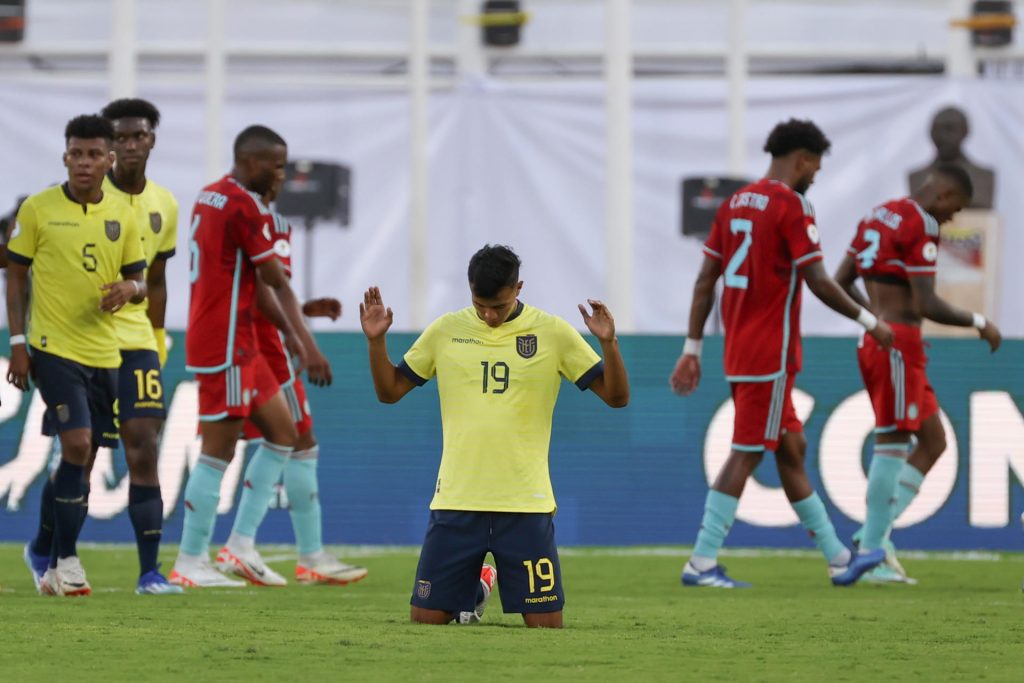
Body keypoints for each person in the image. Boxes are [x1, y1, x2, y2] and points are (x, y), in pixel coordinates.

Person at [669, 119, 893, 589]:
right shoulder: (791, 205)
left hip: (741, 348)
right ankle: (702, 561)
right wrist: (872, 321)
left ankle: (838, 559)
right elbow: (818, 280)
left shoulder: (733, 204)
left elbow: (705, 281)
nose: (816, 174)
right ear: (804, 159)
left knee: (792, 450)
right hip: (769, 353)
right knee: (747, 452)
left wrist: (693, 347)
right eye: (817, 165)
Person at [360, 244, 629, 628]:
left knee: (546, 629)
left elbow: (617, 398)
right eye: (480, 304)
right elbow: (390, 392)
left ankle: (479, 587)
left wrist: (608, 343)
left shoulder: (552, 332)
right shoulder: (445, 330)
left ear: (518, 288)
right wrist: (375, 342)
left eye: (498, 307)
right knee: (425, 620)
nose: (488, 316)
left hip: (525, 503)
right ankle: (475, 592)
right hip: (457, 498)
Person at [21, 98, 183, 595]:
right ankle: (48, 546)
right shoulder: (64, 202)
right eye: (120, 138)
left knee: (144, 447)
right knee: (82, 456)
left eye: (138, 136)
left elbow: (155, 281)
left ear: (151, 141)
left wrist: (156, 340)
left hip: (137, 344)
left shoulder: (164, 205)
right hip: (84, 342)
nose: (128, 146)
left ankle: (150, 573)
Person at [168, 124, 330, 588]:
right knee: (216, 450)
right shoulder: (244, 205)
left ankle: (239, 546)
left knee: (284, 433)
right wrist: (307, 344)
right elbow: (274, 281)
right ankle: (190, 560)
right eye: (275, 165)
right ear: (251, 161)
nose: (280, 174)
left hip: (237, 342)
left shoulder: (211, 194)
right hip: (225, 342)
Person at [835, 165, 1001, 582]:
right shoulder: (921, 223)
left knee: (933, 439)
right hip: (898, 345)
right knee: (892, 440)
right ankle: (871, 552)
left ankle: (875, 536)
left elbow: (841, 281)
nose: (952, 219)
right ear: (943, 194)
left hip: (884, 341)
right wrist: (979, 321)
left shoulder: (877, 215)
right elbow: (927, 303)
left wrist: (871, 318)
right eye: (955, 209)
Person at [6, 114, 148, 596]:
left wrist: (131, 287)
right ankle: (66, 561)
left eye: (93, 154)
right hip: (52, 349)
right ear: (65, 156)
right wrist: (18, 343)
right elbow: (15, 274)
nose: (83, 163)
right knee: (78, 446)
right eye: (76, 154)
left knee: (81, 463)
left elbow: (142, 280)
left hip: (106, 353)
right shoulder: (39, 209)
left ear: (109, 159)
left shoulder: (124, 215)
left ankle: (43, 551)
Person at [230, 176, 367, 586]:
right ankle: (249, 546)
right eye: (274, 169)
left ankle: (298, 554)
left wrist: (304, 308)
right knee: (294, 441)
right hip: (266, 347)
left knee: (294, 442)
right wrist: (304, 344)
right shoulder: (264, 222)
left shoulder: (258, 221)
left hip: (256, 342)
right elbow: (261, 294)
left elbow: (263, 291)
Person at [907, 107, 995, 210]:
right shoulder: (918, 177)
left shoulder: (983, 177)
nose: (942, 136)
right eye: (937, 129)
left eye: (949, 129)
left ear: (965, 131)